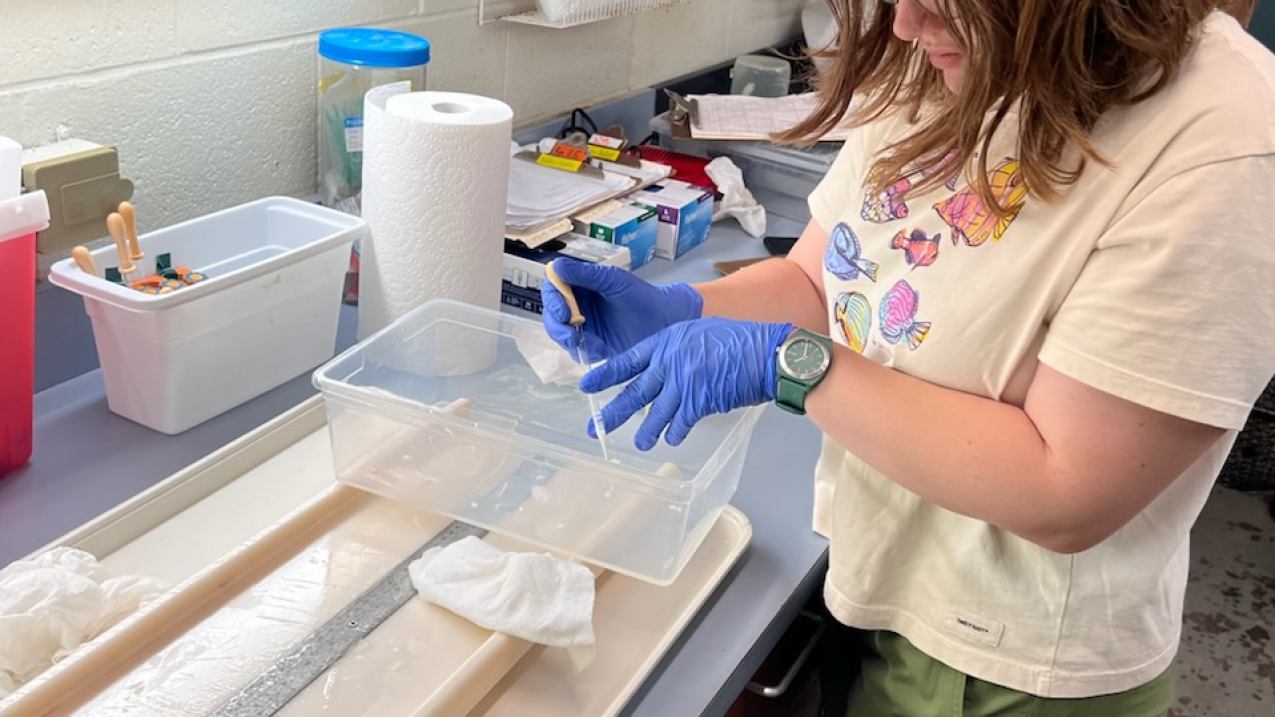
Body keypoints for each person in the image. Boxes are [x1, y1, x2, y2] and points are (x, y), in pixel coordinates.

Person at [542, 0, 1275, 714]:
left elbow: (1065, 490)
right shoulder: (940, 66)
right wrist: (682, 310)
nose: (903, 24)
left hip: (1013, 667)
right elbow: (818, 277)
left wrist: (794, 367)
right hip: (871, 580)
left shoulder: (1221, 140)